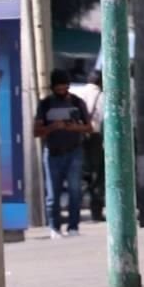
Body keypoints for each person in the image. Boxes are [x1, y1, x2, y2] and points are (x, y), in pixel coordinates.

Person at [34, 68, 92, 238]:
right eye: (58, 89)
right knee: (53, 193)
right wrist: (53, 127)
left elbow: (89, 127)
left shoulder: (77, 102)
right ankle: (54, 227)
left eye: (64, 88)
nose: (62, 92)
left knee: (75, 191)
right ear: (52, 88)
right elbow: (36, 131)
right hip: (52, 153)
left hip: (74, 151)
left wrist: (72, 127)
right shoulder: (45, 105)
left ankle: (73, 227)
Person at [72, 69, 105, 221]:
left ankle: (76, 212)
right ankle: (96, 212)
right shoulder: (103, 96)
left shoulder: (77, 94)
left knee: (81, 176)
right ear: (100, 82)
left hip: (78, 137)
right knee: (97, 176)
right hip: (95, 138)